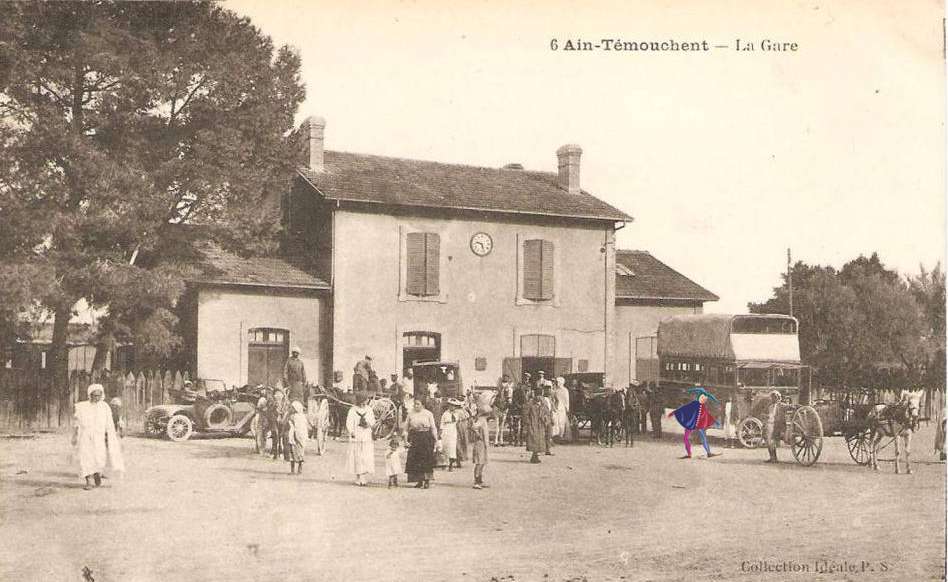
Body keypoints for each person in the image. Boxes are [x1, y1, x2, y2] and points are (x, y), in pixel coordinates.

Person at [72, 384, 125, 490]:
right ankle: (88, 481)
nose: (96, 398)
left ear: (102, 395)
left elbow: (109, 424)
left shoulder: (104, 407)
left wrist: (112, 436)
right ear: (89, 395)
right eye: (94, 395)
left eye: (98, 395)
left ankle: (97, 474)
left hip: (99, 437)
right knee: (85, 458)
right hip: (85, 436)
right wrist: (74, 435)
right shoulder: (82, 406)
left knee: (99, 458)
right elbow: (76, 423)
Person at [668, 387, 720, 459]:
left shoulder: (702, 406)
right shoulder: (694, 403)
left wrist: (715, 421)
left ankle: (708, 453)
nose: (704, 399)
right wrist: (673, 413)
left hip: (697, 424)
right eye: (703, 398)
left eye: (705, 399)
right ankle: (691, 454)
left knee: (701, 437)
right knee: (687, 438)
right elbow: (684, 408)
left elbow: (707, 415)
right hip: (691, 423)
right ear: (699, 397)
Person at [405, 399, 439, 488]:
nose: (416, 406)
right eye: (415, 404)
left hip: (426, 437)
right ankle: (419, 481)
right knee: (416, 459)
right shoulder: (410, 414)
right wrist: (405, 441)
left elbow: (433, 428)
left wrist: (436, 440)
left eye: (418, 404)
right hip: (415, 437)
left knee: (426, 459)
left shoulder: (428, 414)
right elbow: (405, 429)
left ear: (422, 405)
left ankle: (427, 480)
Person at [345, 392, 376, 486]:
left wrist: (369, 424)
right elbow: (349, 422)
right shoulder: (353, 410)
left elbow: (372, 421)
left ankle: (363, 476)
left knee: (365, 455)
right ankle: (359, 476)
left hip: (366, 434)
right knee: (357, 455)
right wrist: (351, 431)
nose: (363, 404)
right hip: (357, 434)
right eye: (362, 402)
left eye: (365, 402)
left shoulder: (369, 409)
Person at [522, 388, 551, 463]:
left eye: (540, 395)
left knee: (540, 439)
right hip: (533, 423)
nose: (539, 397)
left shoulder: (544, 403)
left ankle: (536, 455)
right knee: (533, 439)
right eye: (537, 395)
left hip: (541, 424)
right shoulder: (530, 403)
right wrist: (528, 422)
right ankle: (534, 455)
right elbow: (525, 413)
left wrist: (546, 420)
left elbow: (547, 413)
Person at [287, 401, 310, 475]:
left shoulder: (297, 417)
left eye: (293, 408)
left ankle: (298, 470)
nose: (291, 409)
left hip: (298, 436)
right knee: (293, 453)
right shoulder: (297, 416)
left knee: (298, 453)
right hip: (293, 436)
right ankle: (293, 470)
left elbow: (301, 427)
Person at [470, 407, 491, 489]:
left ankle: (480, 480)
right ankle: (476, 481)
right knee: (479, 462)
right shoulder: (481, 419)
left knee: (482, 462)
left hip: (483, 443)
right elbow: (473, 426)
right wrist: (477, 434)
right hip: (480, 443)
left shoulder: (483, 420)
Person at [268, 388, 290, 460]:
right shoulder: (272, 404)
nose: (278, 397)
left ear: (283, 396)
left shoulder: (286, 404)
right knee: (275, 435)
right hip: (274, 420)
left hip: (284, 421)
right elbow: (270, 411)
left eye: (280, 395)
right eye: (276, 395)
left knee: (283, 436)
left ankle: (284, 453)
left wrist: (283, 415)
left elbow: (287, 412)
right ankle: (275, 452)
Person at [440, 399, 462, 471]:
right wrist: (440, 433)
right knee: (445, 447)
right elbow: (442, 424)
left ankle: (451, 464)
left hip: (453, 431)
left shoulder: (457, 414)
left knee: (452, 448)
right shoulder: (445, 414)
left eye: (454, 406)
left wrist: (459, 432)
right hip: (446, 431)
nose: (452, 407)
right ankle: (444, 463)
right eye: (451, 405)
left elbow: (458, 423)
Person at [493, 375, 513, 446]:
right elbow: (497, 392)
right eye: (504, 378)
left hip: (505, 403)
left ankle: (501, 440)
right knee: (493, 400)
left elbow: (510, 394)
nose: (505, 379)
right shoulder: (500, 384)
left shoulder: (509, 386)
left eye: (507, 378)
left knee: (502, 425)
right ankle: (495, 440)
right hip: (498, 403)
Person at [765, 390, 784, 463]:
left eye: (775, 397)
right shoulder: (770, 406)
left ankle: (774, 458)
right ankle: (772, 457)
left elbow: (790, 407)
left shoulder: (781, 405)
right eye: (772, 397)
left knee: (772, 442)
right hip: (769, 424)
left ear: (778, 398)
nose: (773, 399)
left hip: (776, 425)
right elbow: (768, 415)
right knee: (768, 441)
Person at [552, 376, 571, 442]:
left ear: (561, 382)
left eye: (558, 382)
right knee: (556, 422)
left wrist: (567, 408)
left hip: (562, 408)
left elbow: (567, 400)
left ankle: (561, 436)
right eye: (556, 382)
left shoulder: (565, 390)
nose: (557, 383)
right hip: (556, 407)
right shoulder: (555, 390)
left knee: (562, 422)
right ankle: (556, 436)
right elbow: (554, 399)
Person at [541, 382, 554, 455]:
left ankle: (548, 449)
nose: (549, 391)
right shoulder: (542, 399)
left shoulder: (550, 400)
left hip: (549, 418)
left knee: (549, 434)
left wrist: (552, 419)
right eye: (547, 390)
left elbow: (552, 410)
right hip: (543, 419)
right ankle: (542, 449)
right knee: (543, 434)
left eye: (550, 390)